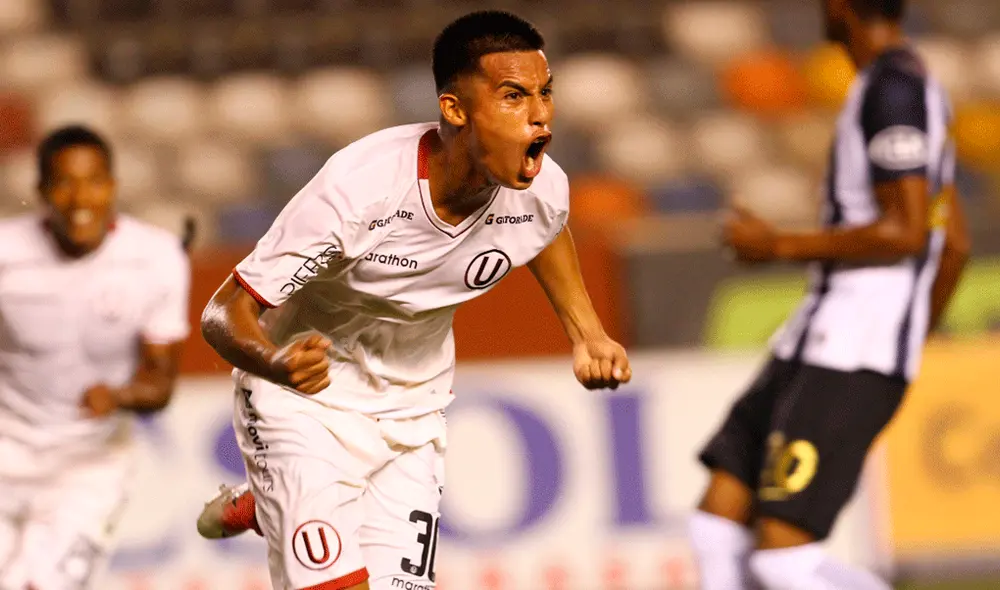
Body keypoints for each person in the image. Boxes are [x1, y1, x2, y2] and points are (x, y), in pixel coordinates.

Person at [195, 10, 631, 590]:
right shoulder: (360, 189)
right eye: (513, 96)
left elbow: (546, 229)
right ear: (455, 109)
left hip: (412, 414)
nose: (540, 114)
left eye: (544, 93)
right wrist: (274, 363)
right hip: (301, 405)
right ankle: (285, 484)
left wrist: (588, 334)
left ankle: (267, 502)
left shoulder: (541, 188)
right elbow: (224, 311)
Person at [687, 1, 972, 589]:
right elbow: (955, 243)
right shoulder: (893, 85)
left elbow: (906, 231)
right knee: (716, 523)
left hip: (851, 350)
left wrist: (777, 245)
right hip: (815, 337)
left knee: (782, 561)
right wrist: (911, 338)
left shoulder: (895, 90)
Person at [0, 125, 191, 590]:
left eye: (94, 181)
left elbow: (160, 386)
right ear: (41, 192)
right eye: (64, 183)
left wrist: (119, 396)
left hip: (88, 464)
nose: (80, 198)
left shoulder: (156, 257)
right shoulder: (6, 253)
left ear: (113, 186)